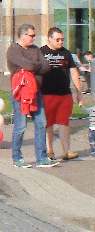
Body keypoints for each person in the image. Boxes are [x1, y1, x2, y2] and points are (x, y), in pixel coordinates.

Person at [7, 24, 57, 168]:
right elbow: (28, 66)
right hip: (20, 93)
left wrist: (33, 66)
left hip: (36, 92)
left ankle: (41, 157)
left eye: (34, 35)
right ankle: (17, 158)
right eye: (31, 35)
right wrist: (35, 66)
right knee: (21, 126)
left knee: (41, 123)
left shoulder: (35, 49)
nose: (34, 38)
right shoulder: (13, 50)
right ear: (23, 35)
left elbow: (46, 66)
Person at [40, 27, 83, 161]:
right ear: (49, 38)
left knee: (64, 122)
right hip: (46, 93)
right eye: (57, 40)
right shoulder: (41, 52)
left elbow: (74, 72)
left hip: (64, 94)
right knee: (48, 123)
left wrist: (79, 92)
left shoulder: (66, 53)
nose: (60, 42)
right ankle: (49, 150)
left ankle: (66, 150)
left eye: (62, 39)